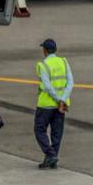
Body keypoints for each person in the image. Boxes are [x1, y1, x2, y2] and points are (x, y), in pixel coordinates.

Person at [34, 38, 72, 169]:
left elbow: (48, 86)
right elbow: (70, 83)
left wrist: (57, 99)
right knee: (57, 133)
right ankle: (52, 158)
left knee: (39, 130)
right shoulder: (64, 62)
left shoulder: (43, 65)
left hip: (46, 104)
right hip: (60, 105)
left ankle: (50, 154)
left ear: (45, 51)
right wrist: (62, 99)